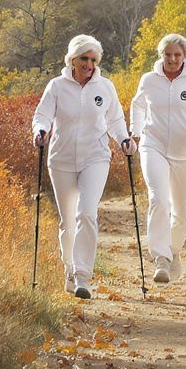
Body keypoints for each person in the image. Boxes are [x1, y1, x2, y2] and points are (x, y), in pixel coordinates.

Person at [32, 35, 133, 300]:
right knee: (67, 221)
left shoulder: (105, 87)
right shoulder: (56, 86)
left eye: (93, 60)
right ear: (72, 59)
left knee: (86, 214)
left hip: (95, 157)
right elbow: (42, 115)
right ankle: (68, 268)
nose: (89, 64)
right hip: (61, 159)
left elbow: (115, 119)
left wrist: (123, 139)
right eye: (84, 59)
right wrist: (40, 131)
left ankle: (83, 276)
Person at [129, 34, 186, 284]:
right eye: (168, 54)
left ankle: (173, 250)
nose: (172, 59)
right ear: (161, 55)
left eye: (177, 55)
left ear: (184, 56)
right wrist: (135, 130)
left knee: (181, 210)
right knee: (158, 198)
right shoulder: (149, 80)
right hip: (153, 145)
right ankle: (160, 258)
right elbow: (137, 105)